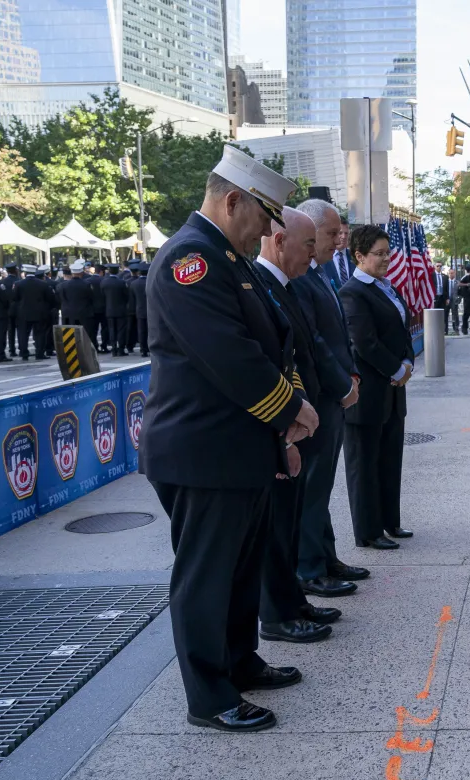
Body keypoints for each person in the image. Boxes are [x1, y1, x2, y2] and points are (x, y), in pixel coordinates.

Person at [140, 145, 315, 733]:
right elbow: (231, 358)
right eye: (263, 215)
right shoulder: (190, 260)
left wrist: (281, 425)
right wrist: (292, 410)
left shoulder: (228, 259)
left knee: (241, 569)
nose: (269, 229)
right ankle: (209, 694)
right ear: (232, 199)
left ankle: (239, 661)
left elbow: (275, 342)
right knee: (206, 576)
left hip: (237, 447)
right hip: (203, 451)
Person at [252, 208, 348, 644]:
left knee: (289, 519)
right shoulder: (261, 283)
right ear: (278, 242)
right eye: (308, 243)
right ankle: (278, 613)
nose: (314, 253)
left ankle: (292, 603)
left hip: (298, 413)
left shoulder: (284, 284)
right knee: (277, 526)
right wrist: (293, 409)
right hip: (279, 422)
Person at [291, 198, 368, 595]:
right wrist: (342, 385)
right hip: (320, 396)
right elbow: (313, 341)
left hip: (334, 394)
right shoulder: (302, 276)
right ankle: (309, 568)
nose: (340, 240)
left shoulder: (319, 273)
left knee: (322, 487)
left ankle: (326, 557)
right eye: (331, 233)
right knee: (313, 487)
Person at [339, 224, 415, 550]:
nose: (386, 259)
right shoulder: (352, 292)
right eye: (379, 254)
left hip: (394, 390)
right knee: (365, 465)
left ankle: (389, 522)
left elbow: (402, 327)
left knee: (389, 460)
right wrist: (396, 368)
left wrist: (408, 362)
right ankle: (368, 532)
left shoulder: (387, 287)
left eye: (388, 252)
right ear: (359, 255)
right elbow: (364, 344)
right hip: (368, 392)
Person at [12, 264, 56, 360]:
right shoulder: (43, 284)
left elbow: (15, 298)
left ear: (25, 273)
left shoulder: (19, 284)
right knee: (40, 334)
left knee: (23, 334)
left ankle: (24, 353)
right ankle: (39, 353)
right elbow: (50, 299)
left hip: (23, 313)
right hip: (40, 313)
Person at [101, 262, 131, 356]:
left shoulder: (104, 282)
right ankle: (121, 349)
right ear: (117, 271)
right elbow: (127, 296)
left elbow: (103, 296)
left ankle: (114, 349)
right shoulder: (121, 282)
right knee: (121, 330)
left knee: (111, 329)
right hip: (121, 310)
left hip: (109, 310)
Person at [84, 263, 108, 352]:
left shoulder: (87, 281)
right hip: (104, 308)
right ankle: (104, 346)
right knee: (105, 329)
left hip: (92, 309)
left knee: (93, 330)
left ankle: (94, 346)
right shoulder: (105, 280)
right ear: (101, 272)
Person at [128, 261, 150, 355]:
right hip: (151, 310)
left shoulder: (134, 283)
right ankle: (150, 347)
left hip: (139, 310)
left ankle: (143, 349)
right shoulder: (151, 282)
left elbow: (132, 299)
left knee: (141, 331)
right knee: (151, 330)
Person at [432, 262, 452, 334]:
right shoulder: (432, 275)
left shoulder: (445, 277)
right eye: (438, 266)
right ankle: (435, 330)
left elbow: (447, 289)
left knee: (444, 315)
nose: (439, 267)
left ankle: (445, 330)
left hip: (443, 298)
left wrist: (447, 298)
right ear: (435, 267)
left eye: (440, 266)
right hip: (435, 297)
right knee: (434, 314)